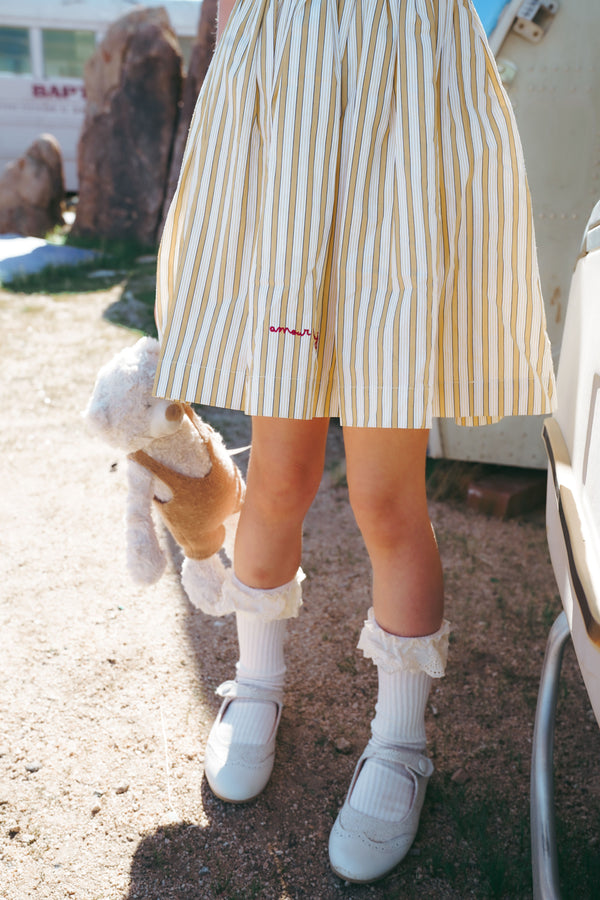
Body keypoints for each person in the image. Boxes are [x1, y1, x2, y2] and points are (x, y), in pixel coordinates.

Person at [153, 0, 556, 884]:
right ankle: (254, 686)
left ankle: (400, 742)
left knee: (384, 494)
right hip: (287, 81)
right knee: (282, 475)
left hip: (405, 89)